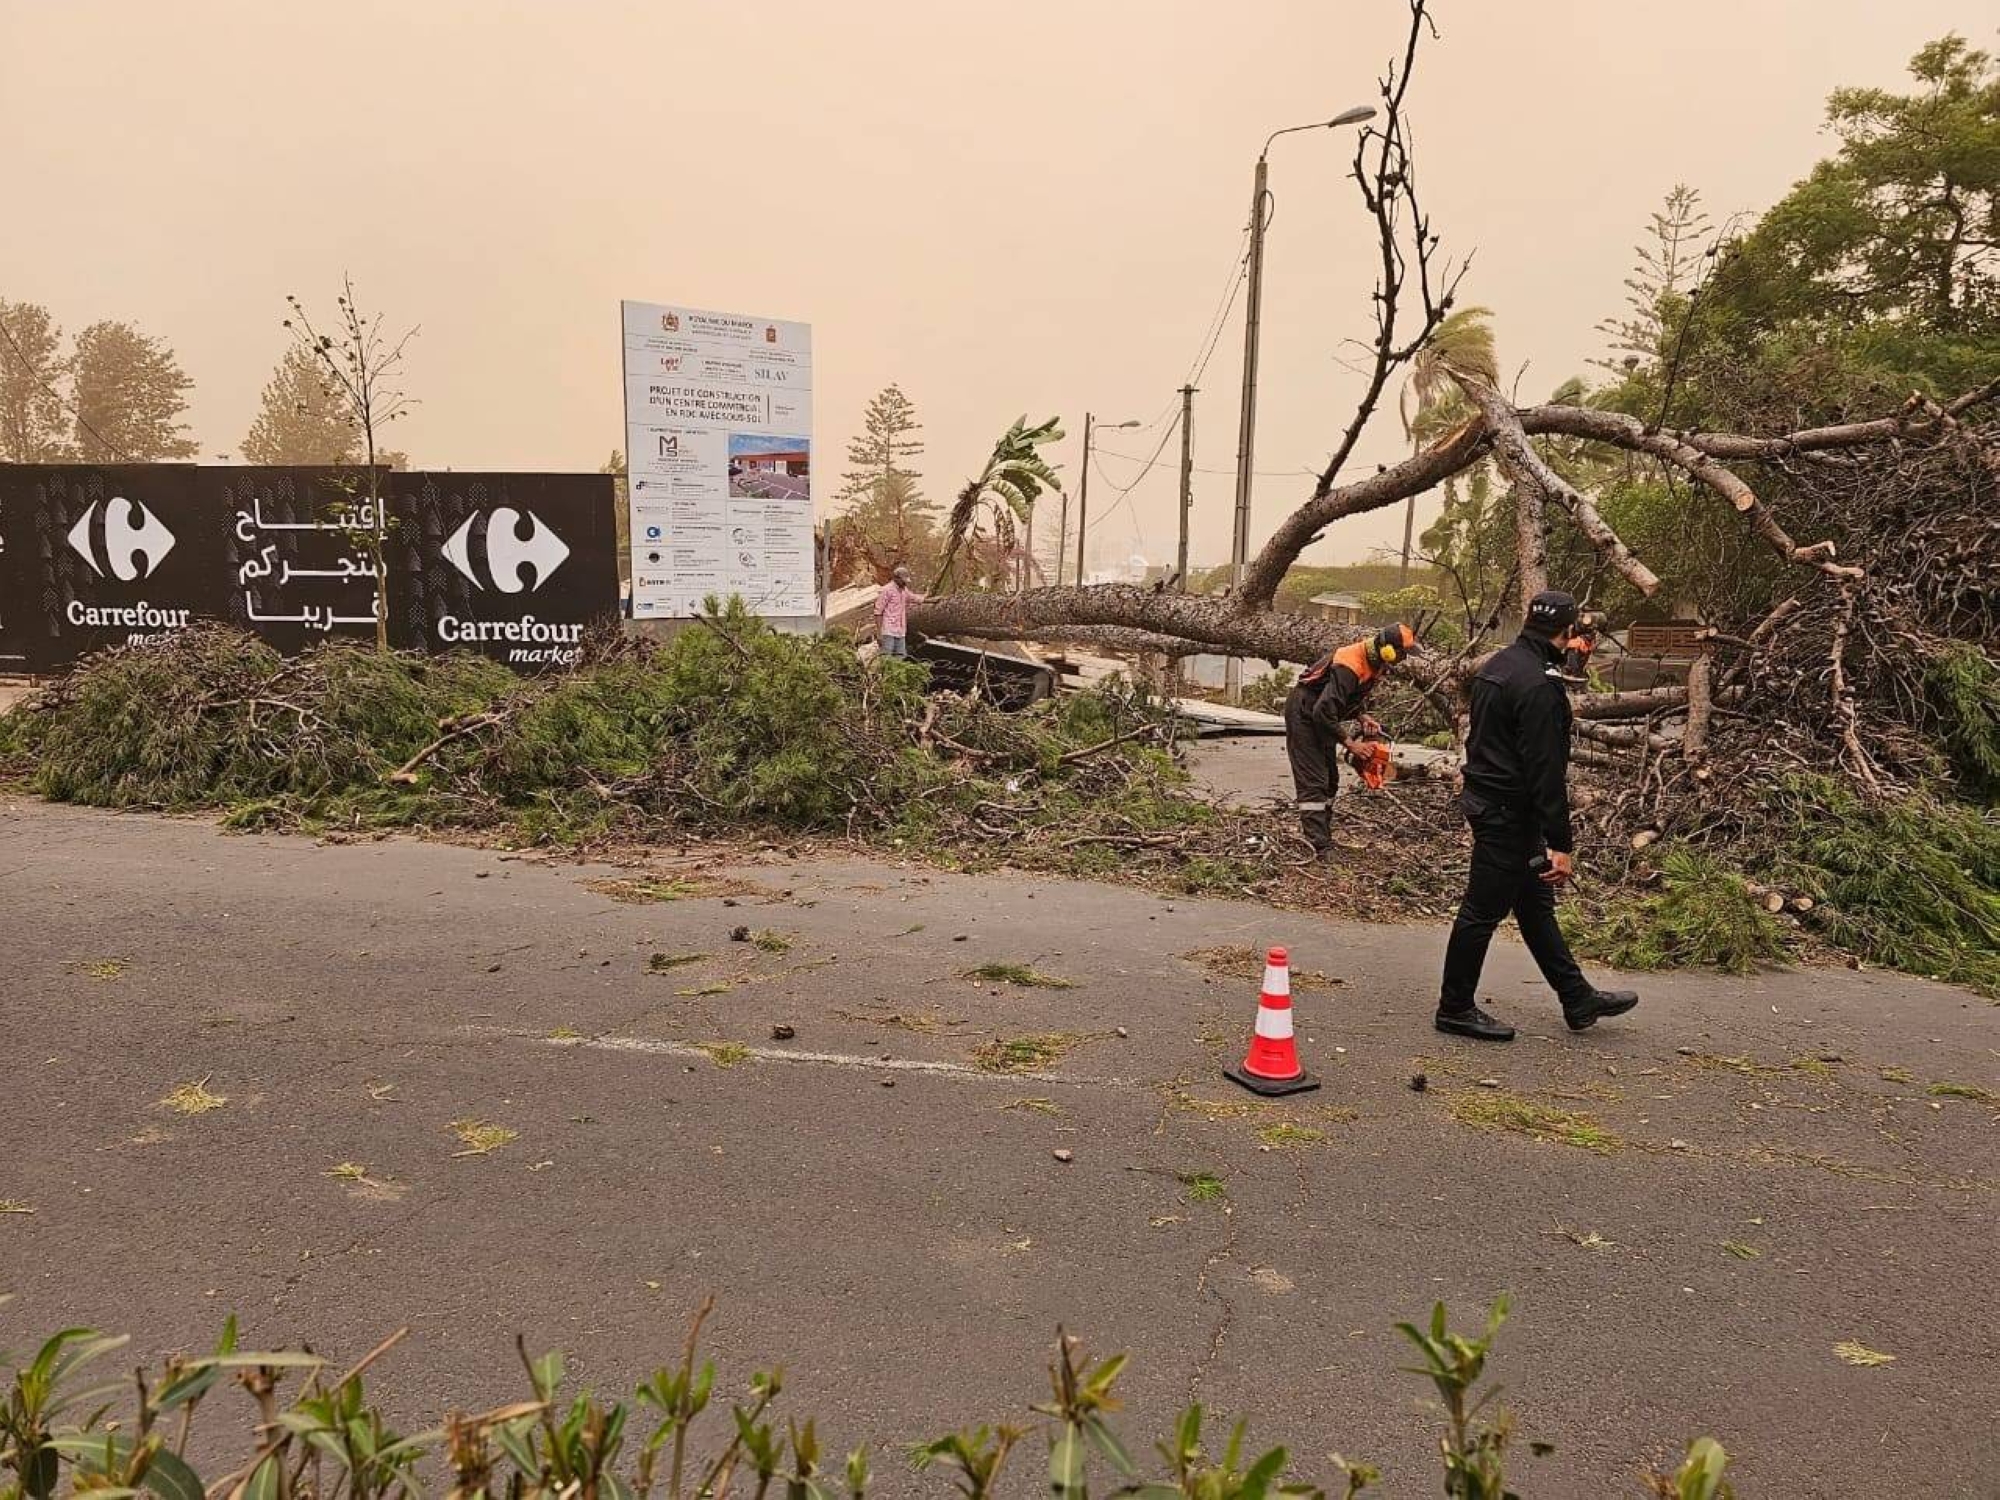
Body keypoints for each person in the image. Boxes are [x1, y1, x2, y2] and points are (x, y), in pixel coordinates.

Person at [1436, 589, 1639, 1041]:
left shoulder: (1500, 666)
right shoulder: (1541, 687)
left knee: (1534, 906)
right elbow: (1546, 773)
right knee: (1481, 911)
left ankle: (1577, 997)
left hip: (1491, 801)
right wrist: (1561, 844)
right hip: (1509, 812)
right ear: (1568, 631)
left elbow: (1483, 742)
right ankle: (1454, 1008)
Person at [1284, 623, 1416, 858]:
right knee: (1314, 780)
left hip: (1319, 712)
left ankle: (1322, 834)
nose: (1403, 659)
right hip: (1304, 713)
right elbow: (1323, 710)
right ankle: (1319, 845)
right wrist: (1352, 744)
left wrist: (1361, 715)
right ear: (1388, 651)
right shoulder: (1350, 664)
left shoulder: (1373, 662)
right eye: (1402, 654)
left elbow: (1346, 697)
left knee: (1331, 780)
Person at [875, 564, 921, 659]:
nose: (905, 583)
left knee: (901, 657)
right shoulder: (887, 590)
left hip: (900, 631)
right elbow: (878, 612)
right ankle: (884, 674)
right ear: (896, 579)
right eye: (903, 581)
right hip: (888, 630)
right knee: (886, 658)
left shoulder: (904, 591)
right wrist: (879, 632)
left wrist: (931, 599)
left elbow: (915, 598)